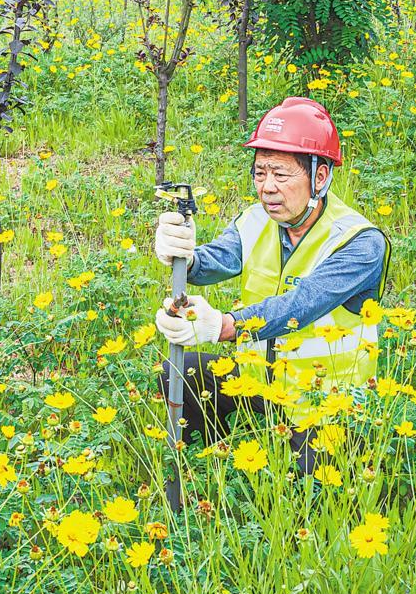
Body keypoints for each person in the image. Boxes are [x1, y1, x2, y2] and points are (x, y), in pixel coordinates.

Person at [152, 97, 388, 464]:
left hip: (324, 401)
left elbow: (302, 305)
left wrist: (225, 326)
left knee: (316, 489)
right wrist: (184, 254)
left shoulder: (359, 242)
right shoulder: (256, 220)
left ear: (319, 176)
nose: (267, 187)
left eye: (280, 173)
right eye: (260, 173)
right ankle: (215, 457)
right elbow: (216, 261)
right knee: (179, 372)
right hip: (259, 383)